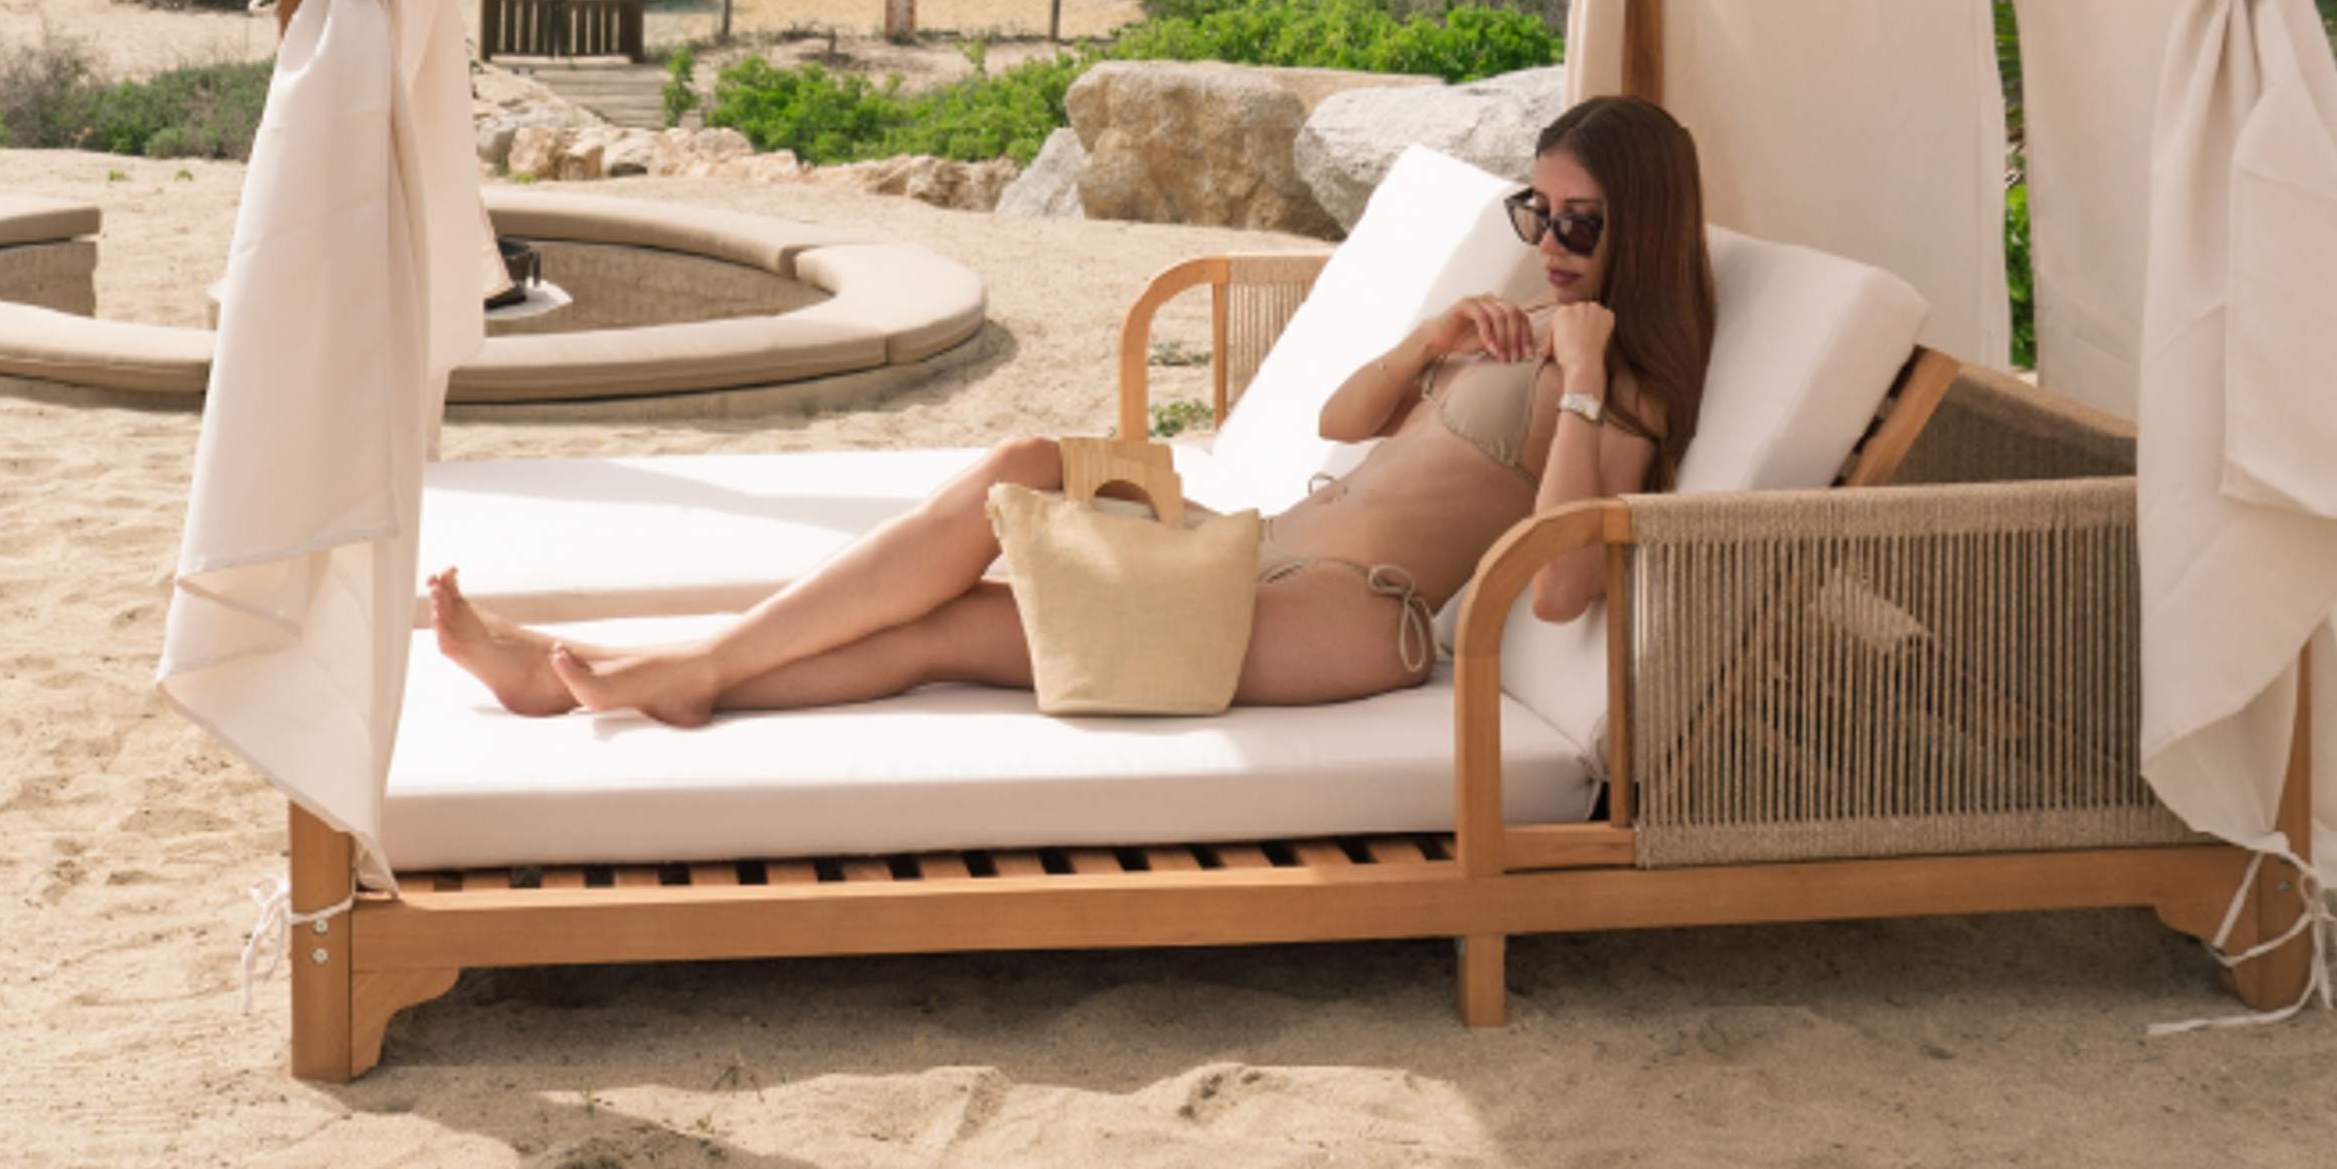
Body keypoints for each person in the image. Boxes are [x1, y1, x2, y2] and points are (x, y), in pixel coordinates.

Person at [431, 94, 1719, 727]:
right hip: (1265, 537)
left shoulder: (1632, 391)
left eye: (1579, 223)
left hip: (1352, 616)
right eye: (1535, 212)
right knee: (1025, 466)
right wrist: (1433, 337)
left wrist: (1589, 379)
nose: (1549, 241)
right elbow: (1342, 420)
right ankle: (680, 674)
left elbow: (1558, 592)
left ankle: (664, 675)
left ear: (1637, 229)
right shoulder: (1520, 323)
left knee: (962, 626)